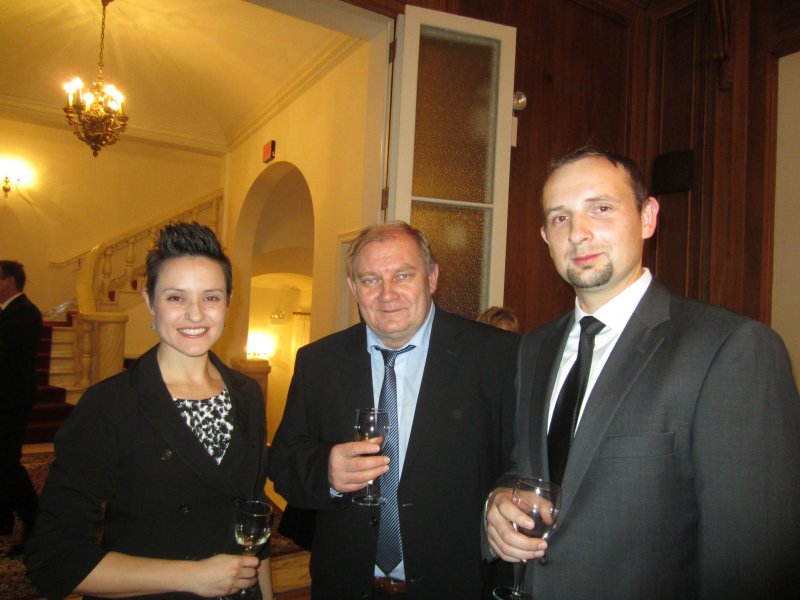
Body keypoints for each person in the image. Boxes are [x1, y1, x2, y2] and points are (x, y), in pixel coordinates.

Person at [484, 147, 800, 599]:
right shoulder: (534, 348)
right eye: (560, 217)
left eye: (601, 209)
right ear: (545, 237)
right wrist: (498, 501)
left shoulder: (731, 349)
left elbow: (754, 565)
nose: (578, 233)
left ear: (648, 217)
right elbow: (525, 468)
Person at [269, 221, 519, 599]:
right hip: (346, 584)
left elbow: (522, 463)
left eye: (403, 275)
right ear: (353, 287)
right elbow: (284, 462)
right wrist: (326, 470)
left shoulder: (496, 357)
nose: (387, 294)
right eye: (370, 280)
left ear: (432, 278)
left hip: (455, 585)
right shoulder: (318, 363)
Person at [25, 222, 274, 600]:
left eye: (210, 297)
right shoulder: (109, 405)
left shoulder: (247, 395)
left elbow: (254, 524)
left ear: (228, 302)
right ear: (149, 302)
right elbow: (54, 559)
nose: (195, 315)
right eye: (176, 298)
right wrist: (191, 576)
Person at [0, 261, 43, 552]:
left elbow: (8, 359)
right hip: (6, 398)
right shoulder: (9, 312)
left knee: (7, 464)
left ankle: (34, 523)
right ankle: (4, 520)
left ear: (10, 281)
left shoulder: (24, 313)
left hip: (11, 401)